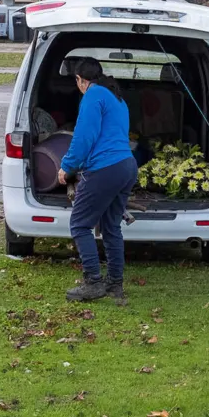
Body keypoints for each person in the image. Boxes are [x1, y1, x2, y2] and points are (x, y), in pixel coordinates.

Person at [57, 57, 138, 302]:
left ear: (81, 80)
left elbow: (84, 137)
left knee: (80, 225)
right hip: (127, 165)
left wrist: (66, 167)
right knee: (111, 227)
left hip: (105, 168)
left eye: (77, 82)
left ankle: (93, 282)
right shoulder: (117, 98)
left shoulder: (93, 96)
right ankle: (115, 284)